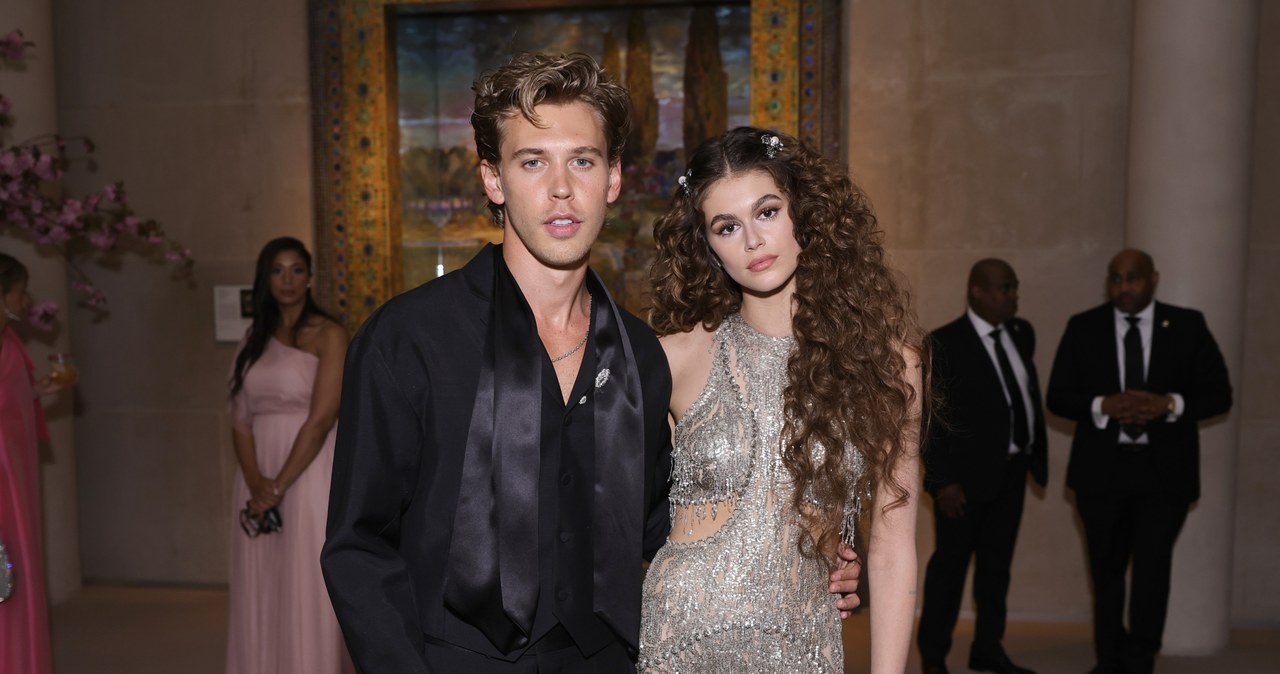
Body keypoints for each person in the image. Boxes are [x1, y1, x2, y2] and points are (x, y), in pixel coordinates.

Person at [321, 54, 861, 672]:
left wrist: (813, 552)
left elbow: (670, 521)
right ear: (493, 181)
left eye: (582, 160)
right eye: (532, 162)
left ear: (613, 180)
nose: (561, 188)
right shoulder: (407, 339)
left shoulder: (640, 355)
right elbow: (358, 546)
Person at [639, 126, 922, 673]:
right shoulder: (676, 357)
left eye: (767, 212)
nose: (752, 241)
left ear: (806, 213)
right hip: (681, 638)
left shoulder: (887, 366)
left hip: (802, 643)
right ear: (707, 246)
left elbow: (893, 546)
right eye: (727, 226)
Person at [1046, 249, 1232, 674]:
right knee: (1106, 574)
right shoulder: (1084, 326)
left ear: (1154, 279)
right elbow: (1058, 396)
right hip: (1101, 473)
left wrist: (1169, 403)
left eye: (1132, 278)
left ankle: (1140, 658)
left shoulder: (1188, 326)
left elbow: (1219, 393)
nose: (1123, 287)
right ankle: (1108, 660)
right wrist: (1102, 405)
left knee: (1152, 571)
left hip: (1163, 473)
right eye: (1115, 278)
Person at [225, 237, 350, 674]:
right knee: (262, 580)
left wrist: (278, 485)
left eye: (297, 269)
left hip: (310, 471)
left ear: (310, 277)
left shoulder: (330, 334)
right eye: (278, 270)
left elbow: (322, 417)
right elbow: (239, 418)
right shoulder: (252, 340)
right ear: (265, 279)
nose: (288, 280)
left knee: (306, 578)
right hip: (257, 475)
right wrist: (258, 483)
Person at [917, 259, 1047, 674]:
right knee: (950, 571)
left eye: (1014, 287)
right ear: (977, 291)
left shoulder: (1021, 333)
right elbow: (930, 420)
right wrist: (943, 483)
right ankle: (933, 657)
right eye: (1003, 288)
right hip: (963, 484)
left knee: (996, 570)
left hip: (1011, 472)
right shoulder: (944, 342)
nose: (1012, 296)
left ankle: (988, 648)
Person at [0, 253, 64, 674]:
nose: (26, 302)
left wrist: (35, 390)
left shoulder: (8, 340)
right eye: (21, 292)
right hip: (2, 477)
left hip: (16, 474)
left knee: (18, 573)